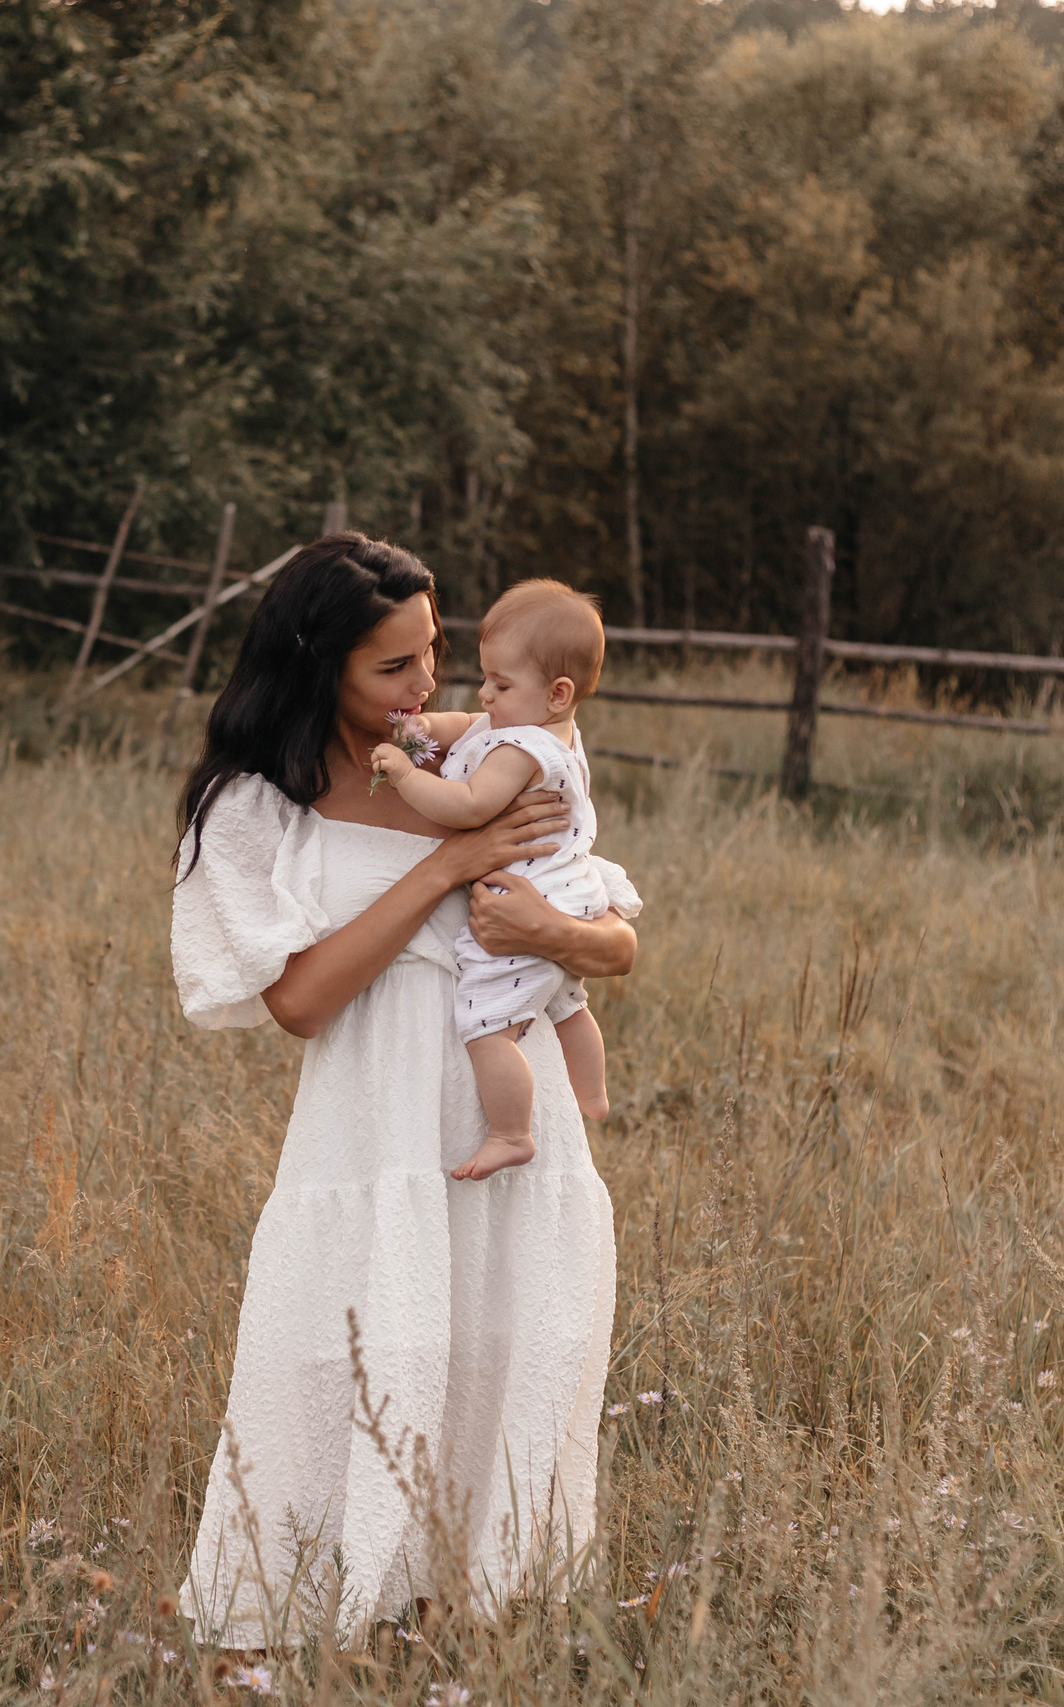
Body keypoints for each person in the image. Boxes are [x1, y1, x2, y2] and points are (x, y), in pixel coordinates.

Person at [169, 533, 640, 1650]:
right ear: (317, 663)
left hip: (505, 1109)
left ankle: (479, 1616)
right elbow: (296, 1002)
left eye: (434, 652)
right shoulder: (256, 802)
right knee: (351, 1350)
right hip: (372, 1120)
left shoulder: (505, 751)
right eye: (394, 668)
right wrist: (445, 865)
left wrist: (552, 929)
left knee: (506, 1343)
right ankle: (313, 1614)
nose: (427, 687)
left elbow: (612, 936)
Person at [369, 579, 611, 1182]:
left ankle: (511, 1133)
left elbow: (470, 806)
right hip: (565, 894)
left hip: (519, 902)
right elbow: (462, 723)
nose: (485, 694)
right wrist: (413, 728)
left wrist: (403, 771)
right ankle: (593, 1094)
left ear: (557, 693)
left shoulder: (521, 749)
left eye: (500, 685)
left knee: (485, 1028)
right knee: (567, 1003)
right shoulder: (545, 729)